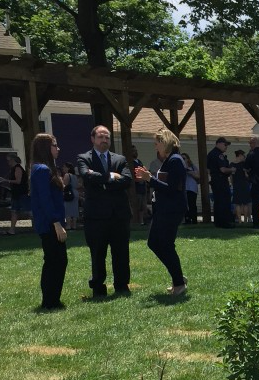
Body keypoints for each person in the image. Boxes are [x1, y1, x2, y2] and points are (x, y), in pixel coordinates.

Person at [76, 124, 133, 297]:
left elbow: (127, 180)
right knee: (98, 254)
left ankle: (122, 286)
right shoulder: (84, 158)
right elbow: (87, 176)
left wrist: (100, 179)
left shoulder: (120, 159)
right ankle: (98, 288)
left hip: (119, 215)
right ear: (93, 139)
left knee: (121, 253)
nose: (104, 140)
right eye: (101, 137)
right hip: (96, 217)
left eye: (107, 137)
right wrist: (110, 177)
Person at [135, 128, 188, 295]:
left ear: (165, 142)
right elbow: (164, 183)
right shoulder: (168, 161)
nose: (155, 147)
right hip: (163, 209)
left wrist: (149, 179)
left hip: (171, 210)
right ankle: (178, 277)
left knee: (163, 244)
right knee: (156, 243)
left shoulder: (176, 161)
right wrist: (148, 176)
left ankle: (179, 282)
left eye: (156, 143)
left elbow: (172, 189)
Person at [29, 134, 69, 310]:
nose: (57, 148)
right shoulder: (41, 170)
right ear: (45, 148)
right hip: (49, 224)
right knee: (55, 260)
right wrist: (56, 223)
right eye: (54, 145)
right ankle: (49, 301)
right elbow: (45, 200)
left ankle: (53, 299)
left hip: (53, 222)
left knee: (58, 260)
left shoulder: (47, 169)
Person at [206, 137, 234, 228]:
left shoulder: (211, 154)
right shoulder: (218, 155)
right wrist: (232, 169)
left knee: (218, 202)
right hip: (221, 181)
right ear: (219, 144)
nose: (226, 147)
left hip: (215, 180)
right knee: (224, 201)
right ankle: (224, 223)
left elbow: (208, 169)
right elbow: (223, 169)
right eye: (225, 145)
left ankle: (218, 222)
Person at [0, 153, 29, 235]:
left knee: (29, 210)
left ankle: (39, 226)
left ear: (13, 160)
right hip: (16, 193)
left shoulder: (18, 168)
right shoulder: (13, 169)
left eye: (8, 160)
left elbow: (18, 181)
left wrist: (5, 180)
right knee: (14, 211)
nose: (8, 162)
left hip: (21, 194)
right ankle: (11, 230)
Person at [229, 150, 251, 224]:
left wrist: (232, 184)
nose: (244, 157)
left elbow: (231, 177)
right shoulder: (244, 164)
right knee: (245, 203)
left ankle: (239, 220)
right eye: (243, 156)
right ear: (240, 155)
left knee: (237, 203)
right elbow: (247, 176)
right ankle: (244, 220)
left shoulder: (231, 164)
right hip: (244, 184)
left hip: (236, 184)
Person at [61, 163, 79, 230]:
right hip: (75, 193)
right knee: (74, 210)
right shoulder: (74, 176)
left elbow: (65, 184)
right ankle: (74, 225)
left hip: (69, 193)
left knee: (68, 210)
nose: (63, 168)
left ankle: (68, 225)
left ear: (68, 168)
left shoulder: (67, 175)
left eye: (64, 167)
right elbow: (77, 185)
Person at [183, 155, 200, 224]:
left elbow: (198, 176)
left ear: (188, 159)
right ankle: (187, 219)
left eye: (184, 158)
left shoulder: (193, 167)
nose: (182, 159)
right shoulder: (179, 166)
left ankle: (194, 220)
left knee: (192, 204)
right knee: (184, 205)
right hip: (183, 189)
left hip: (192, 188)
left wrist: (189, 171)